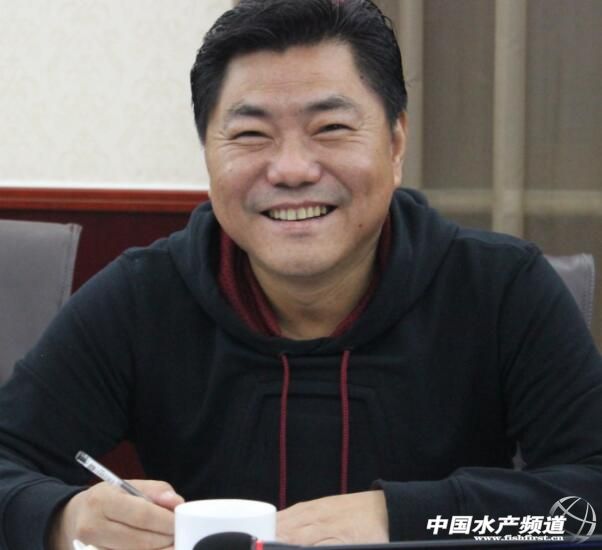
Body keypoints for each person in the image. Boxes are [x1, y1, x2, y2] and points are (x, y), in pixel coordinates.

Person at [1, 0, 601, 548]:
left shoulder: (501, 288)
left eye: (330, 128)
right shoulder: (144, 297)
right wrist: (62, 518)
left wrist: (403, 516)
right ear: (207, 154)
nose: (290, 170)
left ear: (396, 144)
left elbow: (590, 494)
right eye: (251, 135)